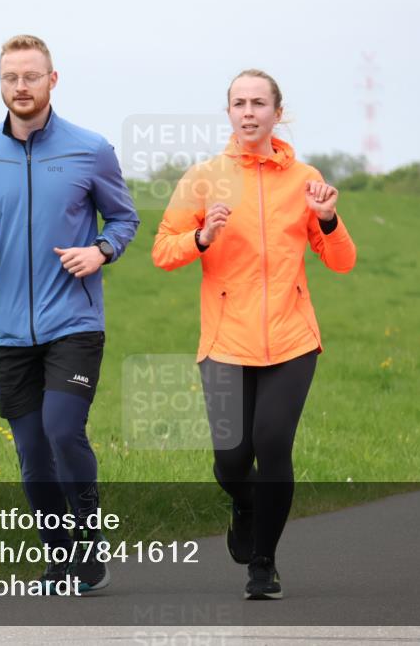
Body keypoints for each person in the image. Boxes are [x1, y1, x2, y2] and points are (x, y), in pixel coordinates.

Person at [0, 34, 139, 592]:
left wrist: (100, 250)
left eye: (31, 76)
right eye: (11, 77)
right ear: (0, 83)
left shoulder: (90, 149)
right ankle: (59, 556)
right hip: (7, 331)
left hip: (73, 322)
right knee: (31, 451)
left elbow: (124, 219)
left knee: (62, 430)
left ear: (53, 80)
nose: (21, 87)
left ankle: (89, 542)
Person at [151, 69, 356, 599]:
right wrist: (202, 236)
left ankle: (263, 563)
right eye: (239, 103)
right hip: (226, 341)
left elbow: (341, 261)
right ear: (229, 112)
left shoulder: (305, 179)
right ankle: (244, 504)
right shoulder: (204, 178)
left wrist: (328, 219)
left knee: (272, 444)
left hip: (292, 339)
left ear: (277, 113)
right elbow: (163, 251)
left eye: (259, 103)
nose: (249, 112)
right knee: (231, 459)